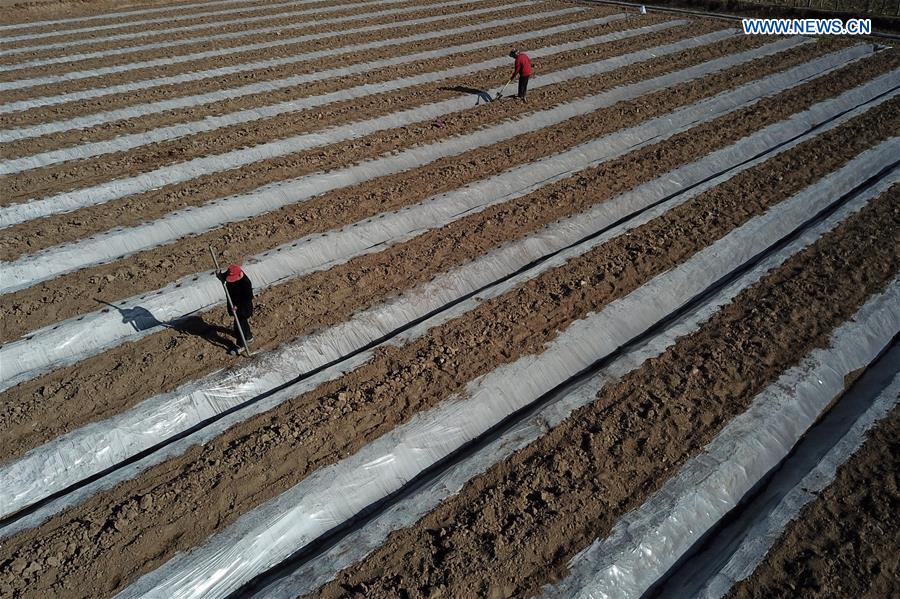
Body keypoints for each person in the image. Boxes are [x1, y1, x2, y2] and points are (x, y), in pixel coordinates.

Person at [216, 263, 254, 353]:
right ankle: (249, 337)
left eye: (233, 279)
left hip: (243, 307)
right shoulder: (231, 273)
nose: (231, 281)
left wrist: (238, 307)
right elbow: (224, 277)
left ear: (239, 274)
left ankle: (241, 344)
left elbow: (248, 298)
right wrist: (219, 275)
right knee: (243, 322)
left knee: (238, 325)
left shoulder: (246, 283)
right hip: (233, 304)